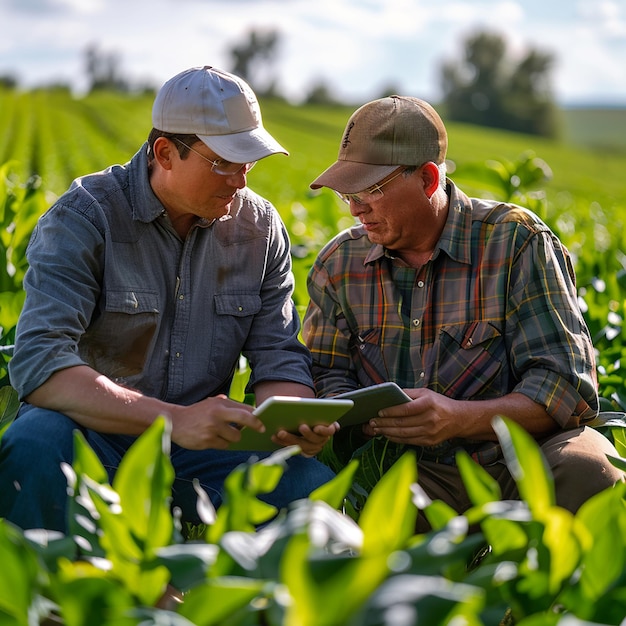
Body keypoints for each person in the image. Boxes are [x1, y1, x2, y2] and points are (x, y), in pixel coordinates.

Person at [0, 65, 337, 533]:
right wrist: (173, 420)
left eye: (249, 162)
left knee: (312, 491)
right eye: (224, 162)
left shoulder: (259, 229)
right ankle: (50, 594)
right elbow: (40, 364)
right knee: (33, 443)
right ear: (165, 153)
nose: (240, 181)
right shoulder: (84, 217)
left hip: (204, 446)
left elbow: (278, 354)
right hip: (92, 430)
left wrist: (292, 416)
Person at [302, 95, 624, 532]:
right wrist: (355, 413)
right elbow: (324, 372)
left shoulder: (516, 242)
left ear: (429, 178)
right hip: (413, 470)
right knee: (361, 512)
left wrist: (458, 417)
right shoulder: (339, 264)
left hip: (519, 457)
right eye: (348, 193)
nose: (356, 207)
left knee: (590, 469)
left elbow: (566, 386)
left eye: (371, 190)